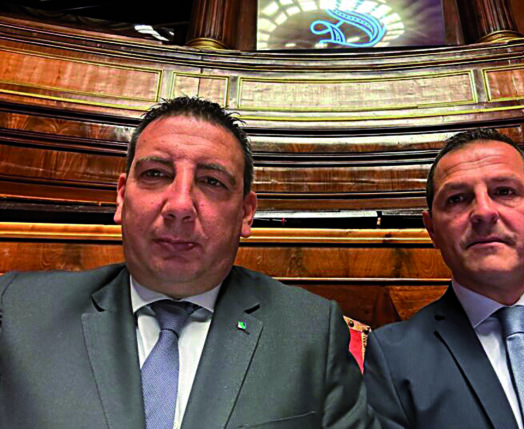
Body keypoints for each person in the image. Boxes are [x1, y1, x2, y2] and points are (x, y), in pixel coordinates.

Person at [0, 96, 378, 429]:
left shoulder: (310, 333)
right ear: (122, 197)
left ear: (246, 212)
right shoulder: (17, 310)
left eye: (212, 181)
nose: (180, 205)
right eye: (155, 174)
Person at [364, 129, 524, 428]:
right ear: (432, 230)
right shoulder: (393, 358)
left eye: (505, 192)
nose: (484, 212)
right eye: (457, 199)